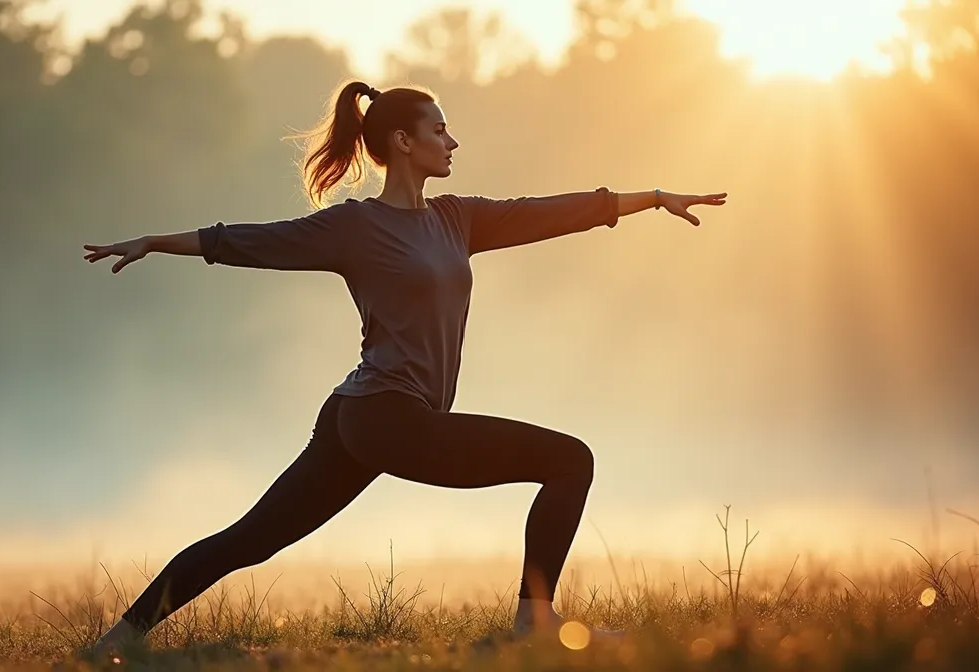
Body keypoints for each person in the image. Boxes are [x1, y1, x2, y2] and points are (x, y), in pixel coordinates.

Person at [81, 80, 726, 654]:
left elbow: (549, 212)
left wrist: (653, 197)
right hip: (383, 414)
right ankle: (537, 620)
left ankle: (116, 642)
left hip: (363, 417)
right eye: (439, 129)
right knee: (569, 461)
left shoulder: (456, 218)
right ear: (403, 141)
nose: (453, 141)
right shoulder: (355, 228)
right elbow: (253, 240)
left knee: (251, 541)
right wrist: (157, 242)